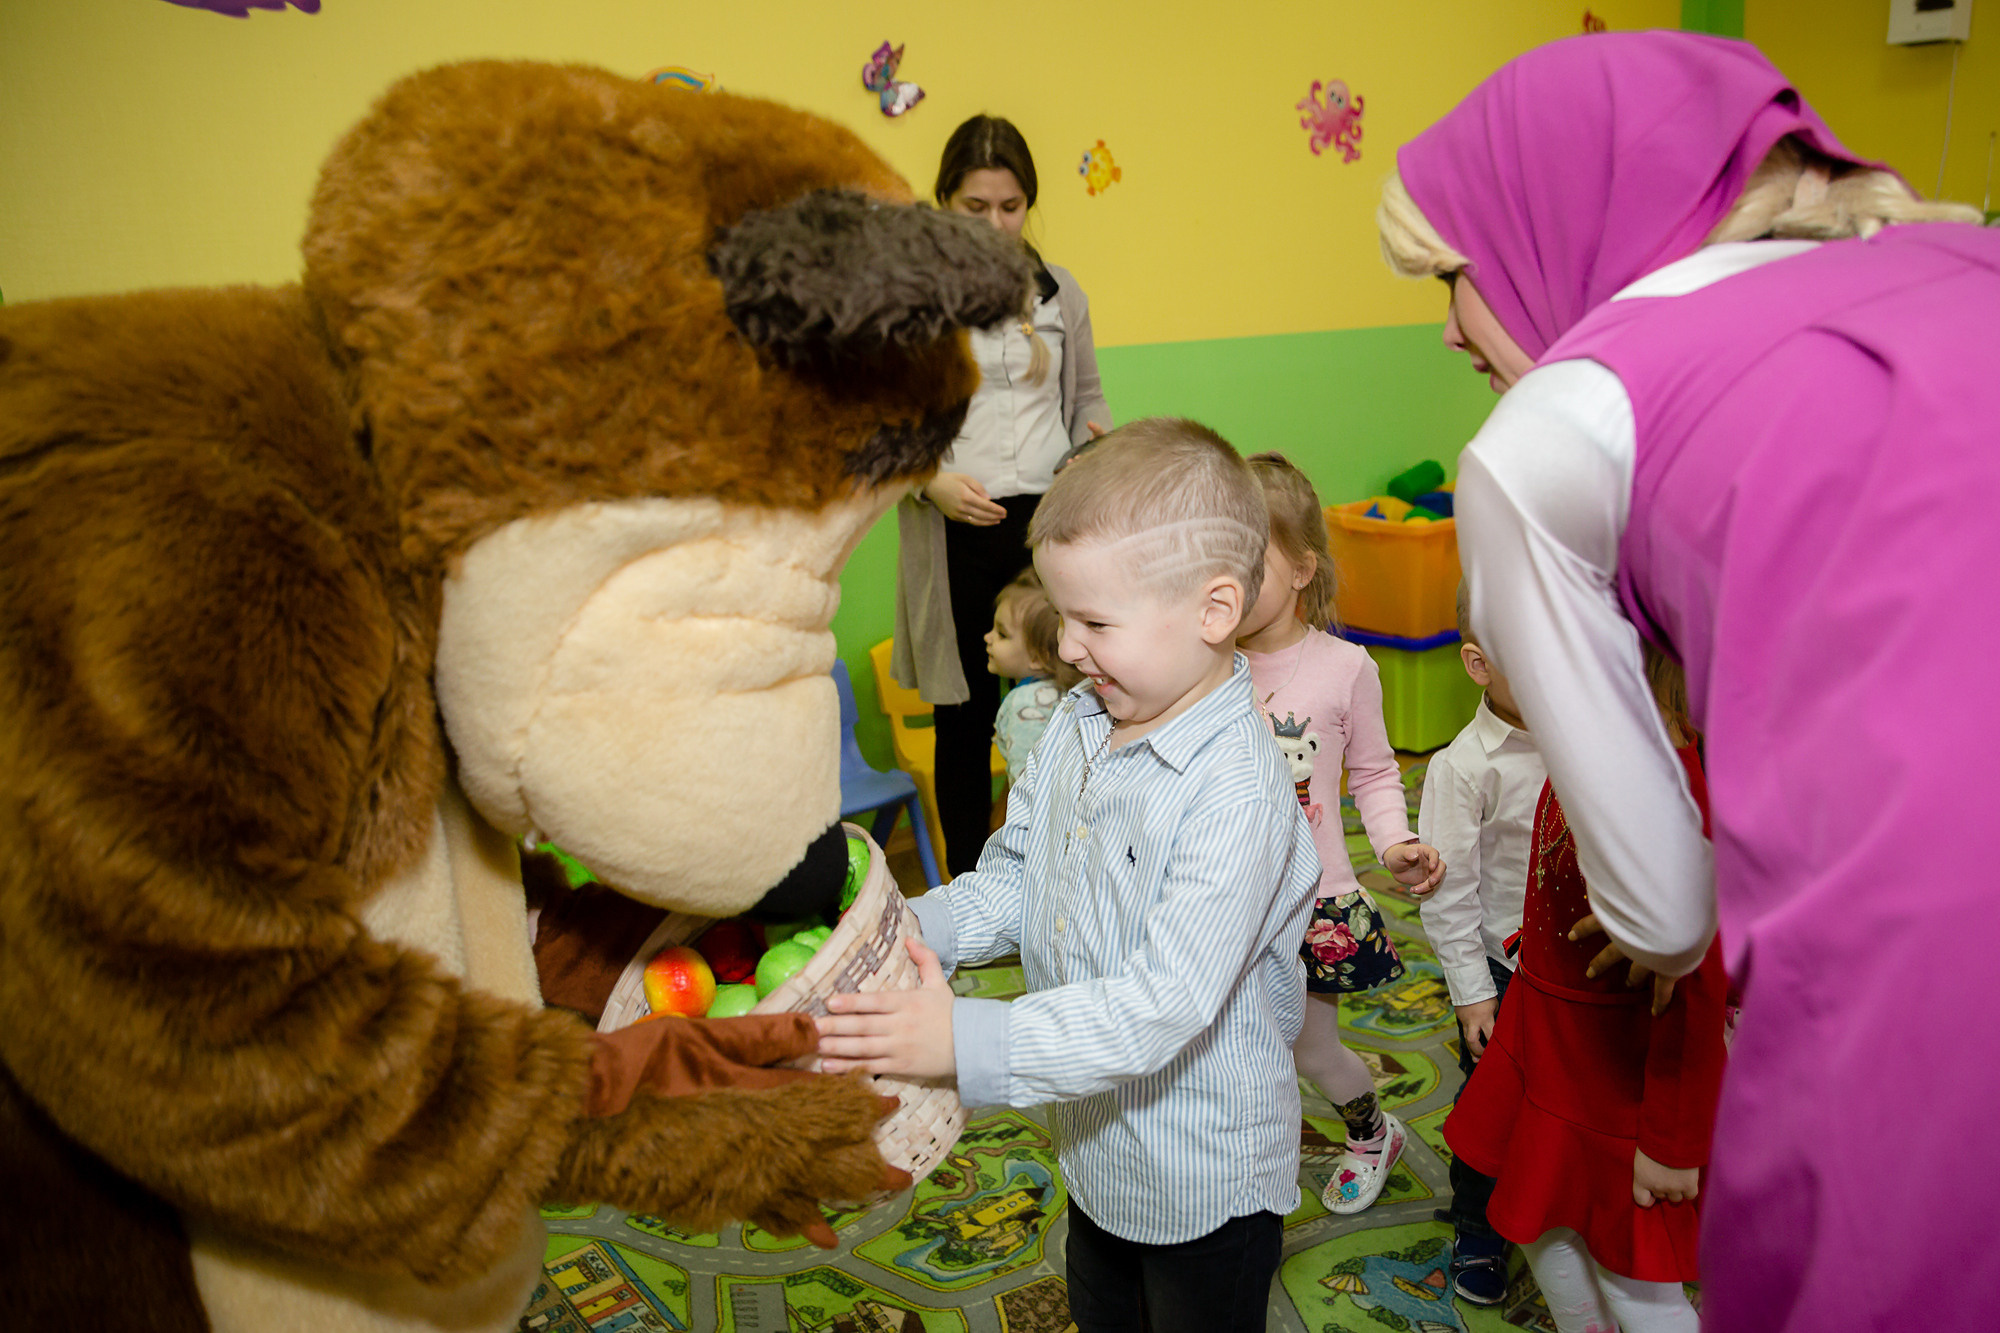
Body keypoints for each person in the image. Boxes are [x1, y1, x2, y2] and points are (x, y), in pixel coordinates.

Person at [1377, 29, 1993, 1331]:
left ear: (1560, 223)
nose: (1446, 335)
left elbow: (1660, 912)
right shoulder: (1954, 257)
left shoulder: (1549, 432)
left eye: (1453, 282)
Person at [819, 419, 1320, 1333]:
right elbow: (1017, 879)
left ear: (1213, 611)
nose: (1071, 644)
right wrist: (907, 929)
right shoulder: (1079, 722)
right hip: (1096, 1140)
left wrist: (964, 1041)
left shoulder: (1236, 792)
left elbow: (1162, 1002)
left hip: (1205, 1173)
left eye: (1096, 621)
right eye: (1064, 612)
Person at [1445, 652, 1726, 1333]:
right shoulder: (1584, 749)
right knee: (1541, 1226)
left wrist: (1673, 1139)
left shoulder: (1666, 787)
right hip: (1546, 1046)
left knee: (1631, 1280)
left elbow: (1700, 984)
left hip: (1615, 1079)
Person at [893, 113, 1113, 876]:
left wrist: (1090, 461)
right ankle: (968, 886)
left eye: (1010, 206)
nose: (995, 222)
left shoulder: (1060, 293)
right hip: (956, 528)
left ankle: (1069, 871)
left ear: (1029, 204)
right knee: (964, 721)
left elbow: (1088, 399)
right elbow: (884, 424)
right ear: (945, 201)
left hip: (1045, 532)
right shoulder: (918, 301)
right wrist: (933, 482)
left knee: (1073, 700)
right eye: (975, 207)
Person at [1234, 452, 1442, 1216]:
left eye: (1248, 559)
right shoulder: (1202, 665)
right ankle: (1258, 1159)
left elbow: (1378, 774)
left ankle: (1369, 1133)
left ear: (1300, 568)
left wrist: (1393, 843)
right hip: (1227, 898)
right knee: (1240, 1049)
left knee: (1309, 1046)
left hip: (1316, 899)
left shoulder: (1346, 666)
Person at [1415, 580, 1545, 1305]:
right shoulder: (1463, 766)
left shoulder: (1587, 734)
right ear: (1479, 664)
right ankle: (1479, 1224)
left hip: (1581, 966)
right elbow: (1447, 889)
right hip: (1503, 970)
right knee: (1492, 1103)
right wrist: (1470, 991)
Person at [984, 567, 1084, 780]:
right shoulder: (1072, 688)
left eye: (1002, 634)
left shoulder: (1023, 703)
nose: (988, 637)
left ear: (1039, 657)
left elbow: (1025, 780)